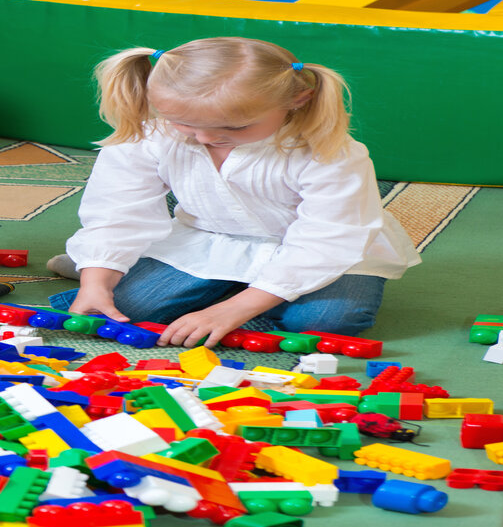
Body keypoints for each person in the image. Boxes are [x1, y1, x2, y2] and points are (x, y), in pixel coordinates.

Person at [48, 37, 420, 347]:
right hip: (209, 239)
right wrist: (97, 279)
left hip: (325, 250)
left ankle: (235, 291)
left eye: (235, 126)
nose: (206, 137)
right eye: (184, 123)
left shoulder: (329, 153)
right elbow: (118, 211)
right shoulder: (151, 134)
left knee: (327, 323)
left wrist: (234, 310)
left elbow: (328, 241)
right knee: (125, 306)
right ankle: (101, 264)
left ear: (298, 99)